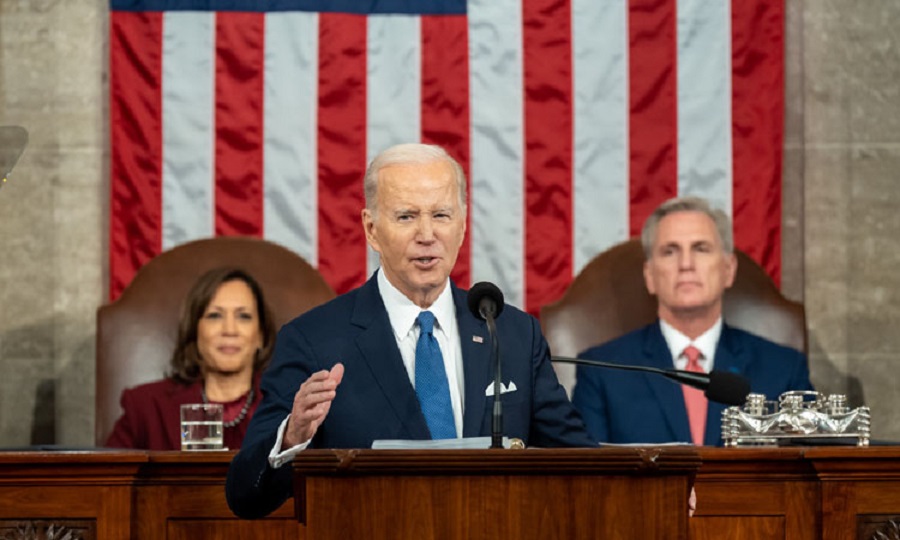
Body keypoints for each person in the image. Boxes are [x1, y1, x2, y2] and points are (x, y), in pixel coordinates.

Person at [226, 143, 594, 519]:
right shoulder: (314, 341)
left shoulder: (512, 333)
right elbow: (245, 496)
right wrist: (293, 436)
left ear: (463, 224)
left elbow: (585, 468)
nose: (427, 234)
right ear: (372, 229)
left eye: (441, 215)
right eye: (406, 217)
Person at [571, 196, 814, 446]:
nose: (686, 264)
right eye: (670, 251)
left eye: (701, 249)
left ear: (728, 270)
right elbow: (589, 479)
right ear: (650, 276)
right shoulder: (602, 371)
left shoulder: (784, 369)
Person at [105, 267, 276, 451]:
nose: (229, 330)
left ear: (260, 335)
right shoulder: (145, 407)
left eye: (243, 316)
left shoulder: (287, 407)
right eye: (214, 316)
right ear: (194, 330)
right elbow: (108, 477)